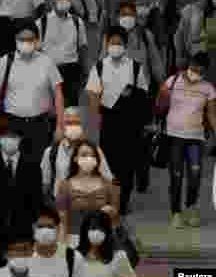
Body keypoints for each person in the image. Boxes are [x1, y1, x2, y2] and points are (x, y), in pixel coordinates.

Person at [85, 26, 151, 215]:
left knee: (128, 163)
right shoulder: (99, 67)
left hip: (130, 121)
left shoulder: (135, 67)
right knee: (109, 162)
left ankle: (123, 202)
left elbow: (143, 94)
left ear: (125, 45)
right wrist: (95, 120)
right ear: (106, 45)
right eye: (112, 43)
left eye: (119, 43)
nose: (115, 46)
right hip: (109, 120)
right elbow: (93, 95)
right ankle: (109, 199)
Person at [0, 22, 65, 165]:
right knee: (12, 167)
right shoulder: (6, 61)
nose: (26, 43)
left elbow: (58, 94)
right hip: (12, 125)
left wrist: (60, 125)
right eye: (22, 40)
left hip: (40, 126)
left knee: (39, 167)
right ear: (15, 40)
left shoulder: (47, 62)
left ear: (37, 41)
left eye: (30, 39)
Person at [0, 118, 44, 267]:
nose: (10, 140)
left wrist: (39, 228)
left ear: (20, 139)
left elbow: (37, 200)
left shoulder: (32, 165)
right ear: (0, 139)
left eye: (14, 136)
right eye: (6, 136)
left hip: (23, 230)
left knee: (22, 271)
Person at [157, 52, 216, 228]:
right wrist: (163, 95)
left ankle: (191, 208)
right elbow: (159, 105)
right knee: (176, 175)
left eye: (200, 71)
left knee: (195, 174)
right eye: (194, 68)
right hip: (174, 137)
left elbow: (211, 114)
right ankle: (176, 213)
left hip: (195, 138)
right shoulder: (172, 81)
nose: (195, 73)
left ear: (205, 72)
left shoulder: (208, 88)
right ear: (189, 65)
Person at [55, 141, 119, 245]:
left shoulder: (108, 186)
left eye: (92, 155)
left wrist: (111, 212)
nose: (88, 158)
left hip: (100, 239)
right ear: (75, 159)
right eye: (84, 155)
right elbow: (62, 220)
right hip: (74, 239)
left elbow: (115, 220)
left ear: (97, 160)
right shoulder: (65, 185)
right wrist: (62, 245)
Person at [75, 210, 138, 277]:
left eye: (101, 229)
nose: (97, 232)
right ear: (85, 231)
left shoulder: (118, 257)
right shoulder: (75, 258)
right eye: (93, 228)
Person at [29, 206, 85, 277]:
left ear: (58, 229)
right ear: (33, 228)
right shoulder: (23, 256)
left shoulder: (73, 257)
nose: (45, 231)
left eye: (50, 226)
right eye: (40, 226)